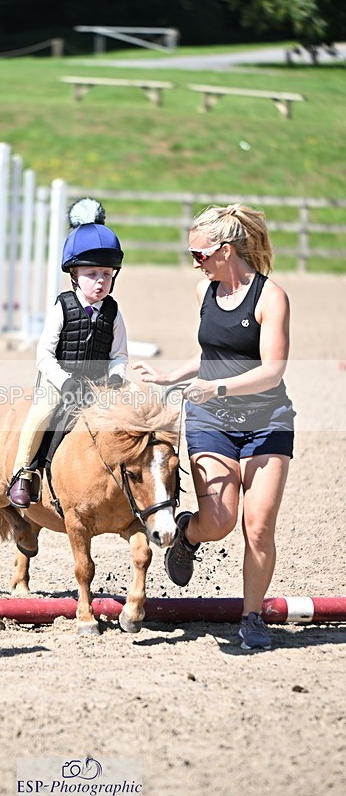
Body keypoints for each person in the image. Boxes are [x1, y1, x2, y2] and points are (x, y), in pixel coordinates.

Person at [132, 203, 296, 652]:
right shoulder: (204, 291)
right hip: (213, 422)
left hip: (267, 422)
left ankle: (252, 617)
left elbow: (272, 371)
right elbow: (213, 352)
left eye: (199, 254)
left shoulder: (270, 297)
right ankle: (188, 535)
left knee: (258, 527)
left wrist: (216, 387)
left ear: (225, 249)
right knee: (220, 522)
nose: (195, 263)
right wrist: (171, 376)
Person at [8, 198, 129, 508]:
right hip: (59, 381)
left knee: (132, 411)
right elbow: (44, 354)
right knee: (42, 413)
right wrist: (64, 381)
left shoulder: (113, 312)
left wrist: (116, 378)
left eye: (107, 274)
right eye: (92, 274)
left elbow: (119, 355)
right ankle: (23, 472)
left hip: (98, 384)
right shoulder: (62, 307)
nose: (100, 281)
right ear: (74, 274)